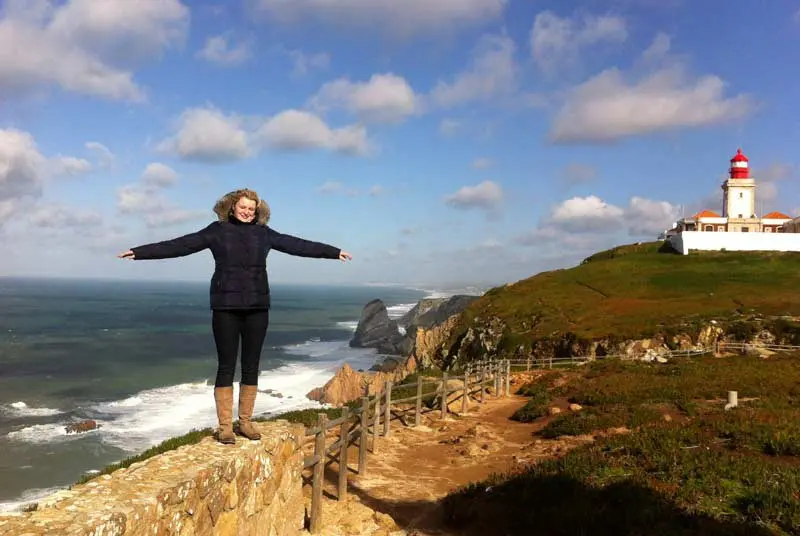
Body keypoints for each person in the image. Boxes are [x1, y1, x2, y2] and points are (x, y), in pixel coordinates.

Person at [118, 188, 352, 445]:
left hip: (257, 307)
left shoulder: (264, 234)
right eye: (243, 207)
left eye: (251, 209)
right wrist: (139, 252)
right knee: (226, 366)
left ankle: (246, 422)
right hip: (225, 307)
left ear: (257, 211)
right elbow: (181, 245)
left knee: (251, 365)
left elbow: (298, 245)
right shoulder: (217, 231)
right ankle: (225, 427)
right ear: (232, 207)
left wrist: (333, 252)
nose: (247, 212)